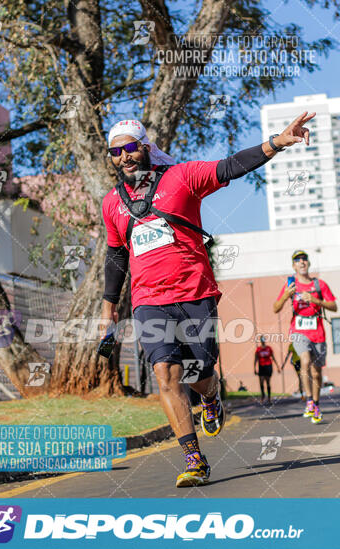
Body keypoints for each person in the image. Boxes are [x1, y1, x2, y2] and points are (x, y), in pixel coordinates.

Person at [101, 112, 315, 487]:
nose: (125, 157)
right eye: (116, 152)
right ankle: (193, 458)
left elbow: (231, 166)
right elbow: (116, 256)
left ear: (146, 148)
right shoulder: (111, 204)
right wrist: (108, 310)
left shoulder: (182, 178)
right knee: (165, 373)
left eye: (131, 148)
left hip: (194, 291)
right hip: (148, 298)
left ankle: (211, 396)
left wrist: (278, 142)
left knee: (198, 370)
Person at [273, 250, 337, 423]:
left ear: (308, 263)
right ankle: (309, 401)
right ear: (293, 265)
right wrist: (286, 295)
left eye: (304, 259)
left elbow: (333, 307)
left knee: (317, 373)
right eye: (297, 260)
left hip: (317, 331)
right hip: (298, 330)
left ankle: (315, 404)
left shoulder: (319, 285)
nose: (301, 262)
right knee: (305, 360)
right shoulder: (290, 285)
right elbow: (275, 308)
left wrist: (315, 300)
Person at [254, 336, 281, 405]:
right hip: (261, 366)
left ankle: (269, 398)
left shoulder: (269, 348)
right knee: (261, 382)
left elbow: (273, 357)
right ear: (260, 341)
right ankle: (263, 396)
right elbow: (256, 359)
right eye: (261, 340)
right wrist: (254, 368)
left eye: (264, 340)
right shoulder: (258, 349)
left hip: (268, 366)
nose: (263, 341)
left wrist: (277, 366)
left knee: (268, 382)